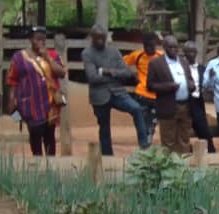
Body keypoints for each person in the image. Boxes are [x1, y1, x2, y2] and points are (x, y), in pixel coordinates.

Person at [81, 24, 149, 155]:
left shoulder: (114, 51)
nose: (100, 41)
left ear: (106, 37)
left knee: (136, 108)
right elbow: (92, 77)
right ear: (92, 38)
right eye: (97, 39)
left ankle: (144, 144)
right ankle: (107, 156)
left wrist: (107, 72)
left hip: (118, 92)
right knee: (104, 126)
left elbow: (127, 72)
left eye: (103, 38)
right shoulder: (87, 53)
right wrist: (114, 76)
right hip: (99, 96)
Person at [6, 26, 66, 156]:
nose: (41, 42)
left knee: (50, 135)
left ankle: (51, 164)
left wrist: (47, 58)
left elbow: (61, 73)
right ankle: (37, 161)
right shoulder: (19, 58)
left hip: (50, 104)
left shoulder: (53, 55)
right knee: (35, 133)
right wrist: (11, 99)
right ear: (30, 40)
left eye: (43, 40)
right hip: (29, 103)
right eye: (38, 39)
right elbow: (12, 80)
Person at [146, 36, 194, 154]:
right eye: (170, 47)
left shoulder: (183, 62)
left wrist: (191, 85)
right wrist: (169, 86)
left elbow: (189, 79)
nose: (174, 49)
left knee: (184, 138)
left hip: (185, 106)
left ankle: (184, 166)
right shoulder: (156, 63)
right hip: (168, 106)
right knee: (169, 141)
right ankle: (169, 167)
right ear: (164, 47)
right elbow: (150, 86)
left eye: (175, 47)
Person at [124, 33, 162, 143]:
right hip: (142, 94)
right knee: (141, 119)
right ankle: (144, 141)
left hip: (156, 95)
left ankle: (147, 140)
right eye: (148, 46)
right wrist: (132, 74)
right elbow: (122, 62)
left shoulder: (161, 56)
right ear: (144, 46)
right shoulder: (138, 55)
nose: (150, 49)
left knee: (153, 121)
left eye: (153, 46)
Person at [182, 42, 216, 153]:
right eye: (188, 51)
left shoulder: (202, 69)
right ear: (184, 53)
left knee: (203, 129)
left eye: (193, 51)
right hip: (183, 101)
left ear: (196, 53)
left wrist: (211, 78)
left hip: (197, 101)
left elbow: (206, 86)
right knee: (183, 129)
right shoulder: (179, 67)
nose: (191, 54)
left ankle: (210, 151)